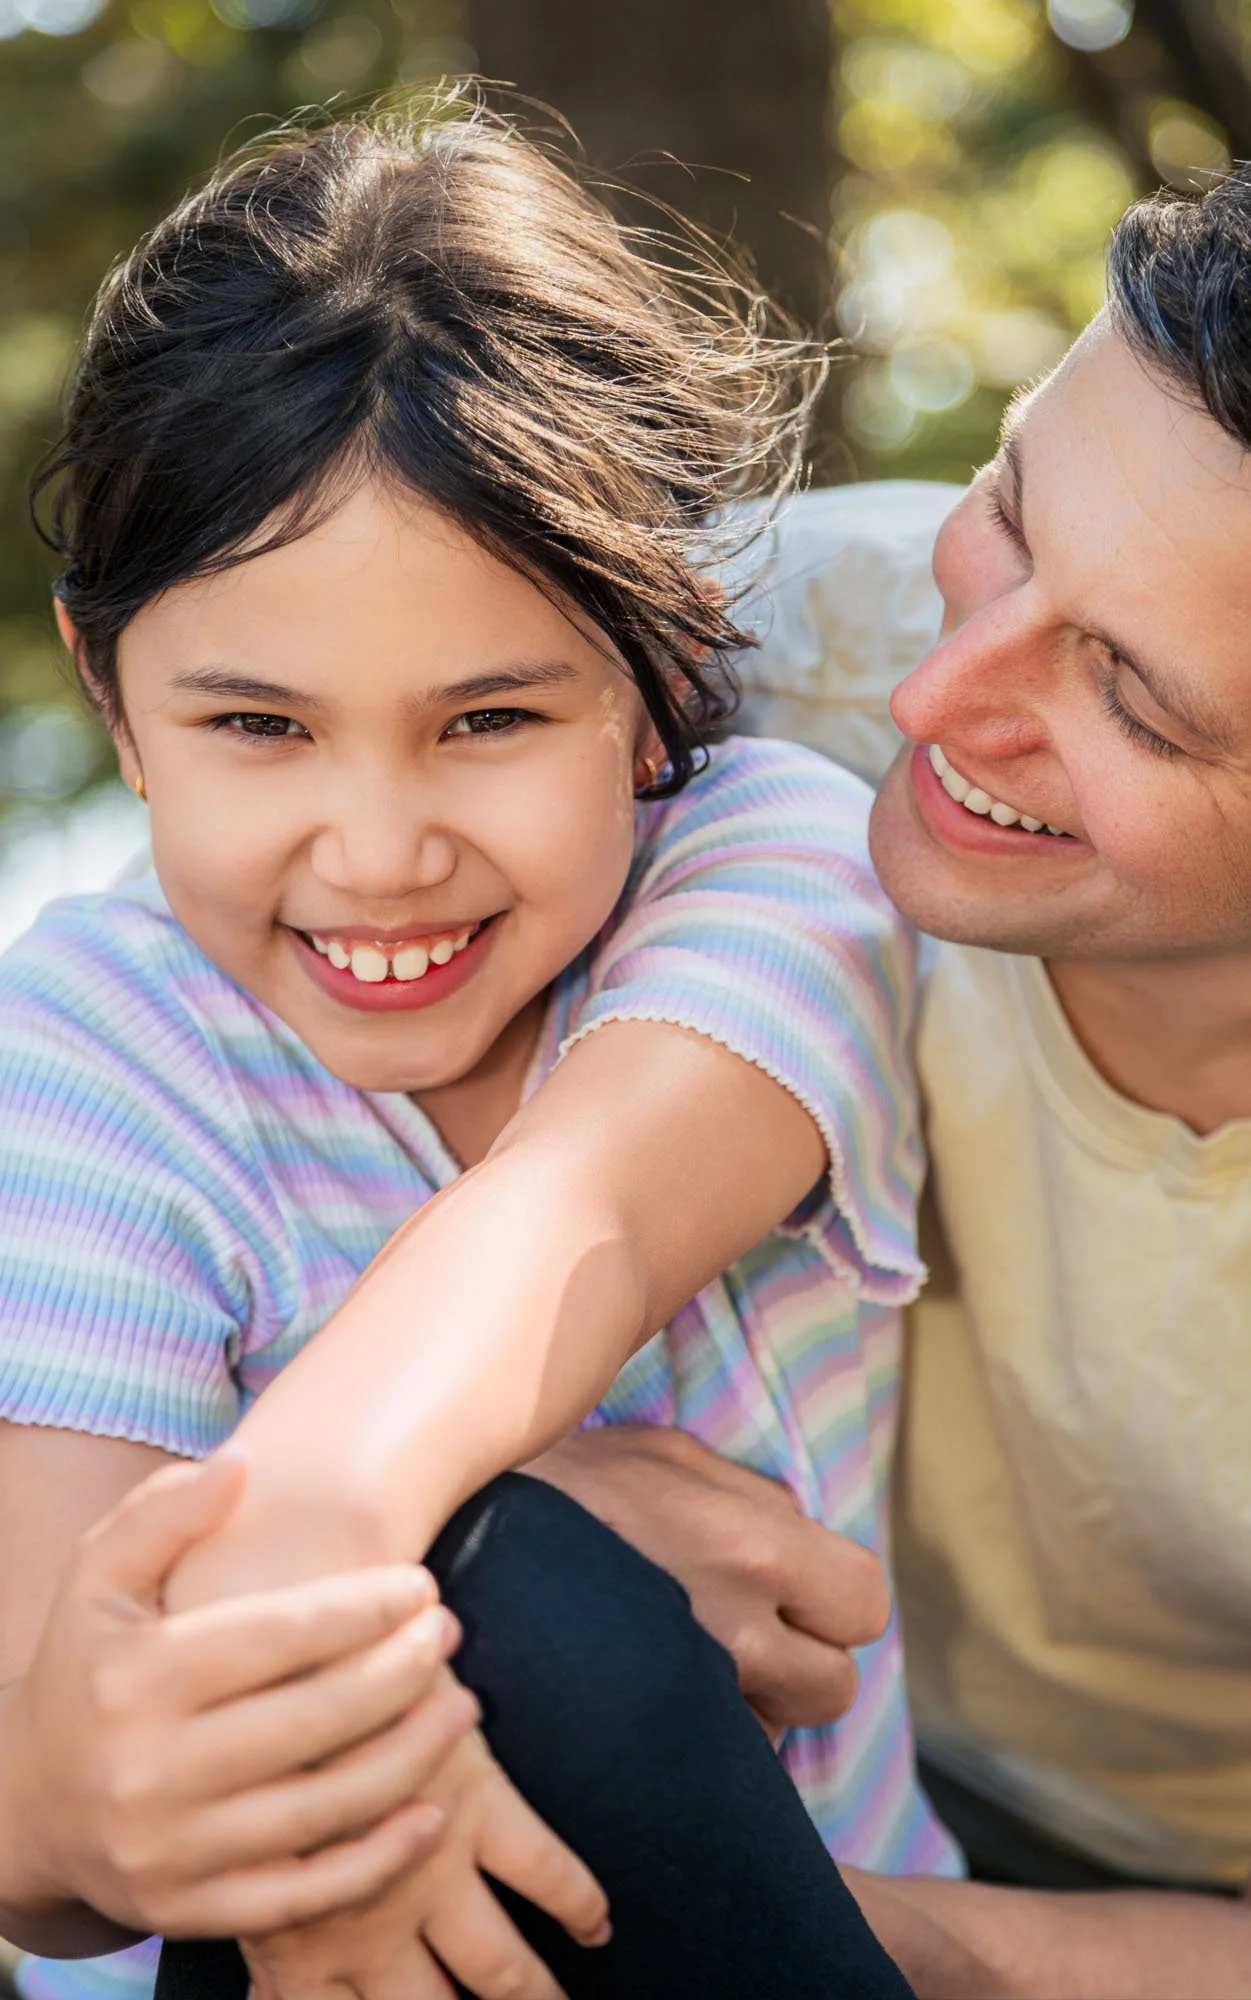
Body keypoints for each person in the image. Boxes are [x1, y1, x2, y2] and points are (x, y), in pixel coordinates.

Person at [0, 94, 949, 2000]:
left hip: (783, 1939)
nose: (376, 852)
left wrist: (324, 1607)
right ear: (112, 694)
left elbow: (572, 1222)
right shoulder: (101, 1047)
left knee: (521, 1603)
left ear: (661, 678)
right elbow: (48, 1801)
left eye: (490, 719)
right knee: (515, 1598)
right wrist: (303, 1786)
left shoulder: (766, 868)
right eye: (258, 729)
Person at [584, 142, 1251, 1997]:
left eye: (1135, 697)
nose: (937, 698)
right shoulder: (731, 654)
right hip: (790, 1756)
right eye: (1009, 504)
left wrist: (713, 1911)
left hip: (1162, 1903)